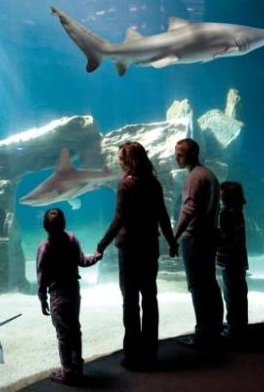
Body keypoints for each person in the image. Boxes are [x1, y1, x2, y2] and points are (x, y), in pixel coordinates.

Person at [97, 141, 178, 371]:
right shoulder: (154, 183)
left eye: (120, 157)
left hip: (130, 249)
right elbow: (163, 215)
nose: (117, 161)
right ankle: (150, 350)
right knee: (150, 298)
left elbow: (119, 218)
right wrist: (171, 241)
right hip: (150, 246)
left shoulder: (126, 185)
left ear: (127, 160)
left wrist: (103, 243)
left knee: (130, 301)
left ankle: (132, 353)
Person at [36, 208, 101, 385]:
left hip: (57, 295)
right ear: (64, 223)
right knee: (75, 330)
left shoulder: (44, 248)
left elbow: (42, 277)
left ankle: (68, 372)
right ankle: (78, 368)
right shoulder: (72, 238)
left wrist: (42, 298)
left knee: (63, 335)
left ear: (44, 226)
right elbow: (83, 261)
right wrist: (96, 256)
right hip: (73, 291)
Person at [173, 138, 224, 349]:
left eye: (180, 154)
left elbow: (189, 209)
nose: (176, 158)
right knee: (210, 284)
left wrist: (174, 235)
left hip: (195, 238)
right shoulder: (210, 175)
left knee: (197, 287)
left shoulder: (194, 177)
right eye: (176, 153)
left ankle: (202, 333)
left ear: (192, 154)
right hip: (210, 236)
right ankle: (215, 328)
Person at [217, 181, 249, 340]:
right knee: (240, 293)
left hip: (229, 261)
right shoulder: (239, 212)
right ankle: (241, 325)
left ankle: (233, 327)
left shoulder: (226, 213)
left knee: (230, 294)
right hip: (240, 260)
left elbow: (225, 237)